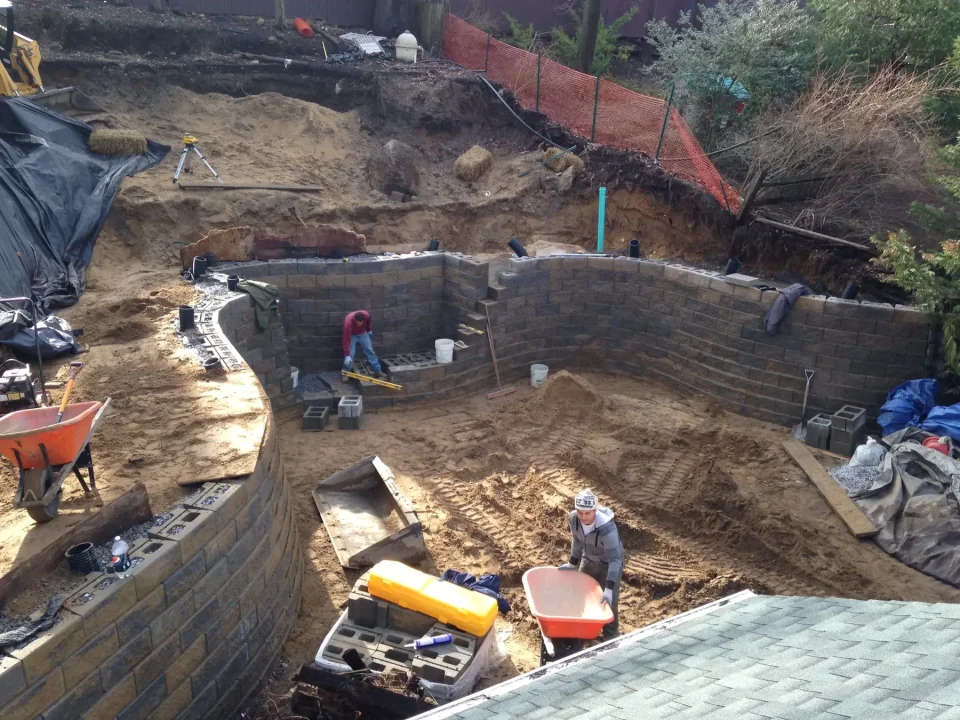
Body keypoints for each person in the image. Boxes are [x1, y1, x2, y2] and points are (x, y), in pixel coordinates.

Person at [560, 489, 624, 640]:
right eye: (580, 512)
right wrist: (572, 563)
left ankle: (611, 636)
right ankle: (585, 631)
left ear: (595, 510)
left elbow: (615, 559)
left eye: (587, 513)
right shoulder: (574, 519)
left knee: (608, 602)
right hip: (588, 558)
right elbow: (577, 540)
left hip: (609, 563)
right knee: (582, 594)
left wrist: (608, 588)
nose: (583, 517)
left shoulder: (607, 528)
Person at [342, 310, 383, 378]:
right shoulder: (348, 323)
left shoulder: (366, 315)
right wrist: (347, 355)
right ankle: (346, 373)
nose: (360, 324)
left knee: (369, 350)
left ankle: (377, 370)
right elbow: (346, 339)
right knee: (350, 354)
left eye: (361, 322)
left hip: (362, 333)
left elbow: (369, 322)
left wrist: (369, 329)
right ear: (355, 319)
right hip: (352, 335)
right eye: (358, 323)